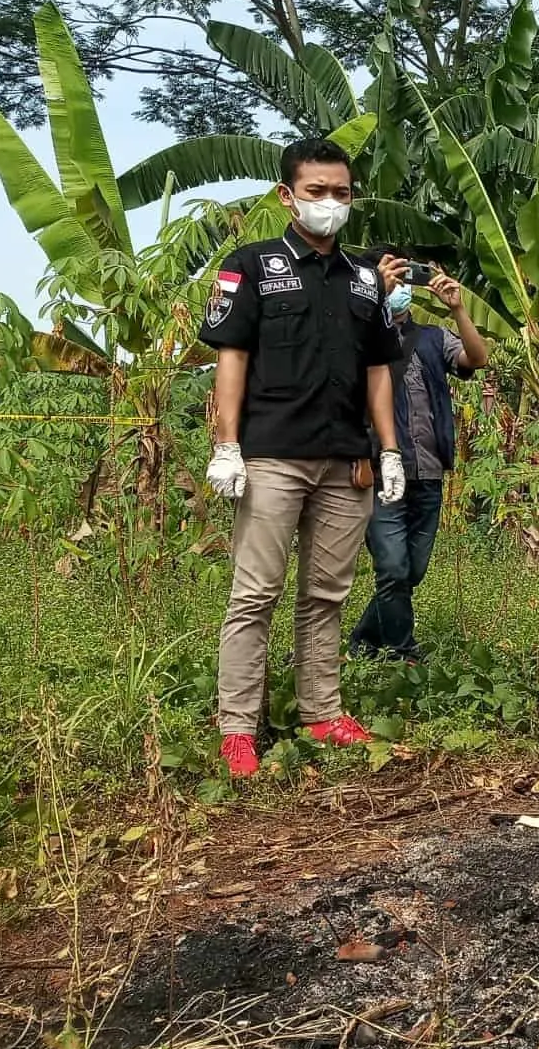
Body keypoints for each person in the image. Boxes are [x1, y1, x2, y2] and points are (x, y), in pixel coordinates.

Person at [198, 137, 404, 778]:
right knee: (255, 593)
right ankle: (238, 727)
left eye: (341, 193)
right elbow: (231, 358)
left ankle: (322, 709)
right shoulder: (252, 266)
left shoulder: (367, 281)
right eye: (316, 192)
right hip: (271, 456)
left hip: (348, 463)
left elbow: (378, 371)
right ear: (288, 196)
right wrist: (227, 445)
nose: (329, 204)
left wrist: (390, 449)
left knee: (326, 594)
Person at [348, 251, 489, 661]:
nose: (400, 289)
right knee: (392, 568)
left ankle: (364, 639)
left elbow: (476, 358)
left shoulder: (432, 337)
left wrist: (459, 308)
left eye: (405, 279)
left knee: (412, 571)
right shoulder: (357, 337)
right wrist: (372, 299)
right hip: (380, 471)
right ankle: (403, 650)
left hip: (428, 470)